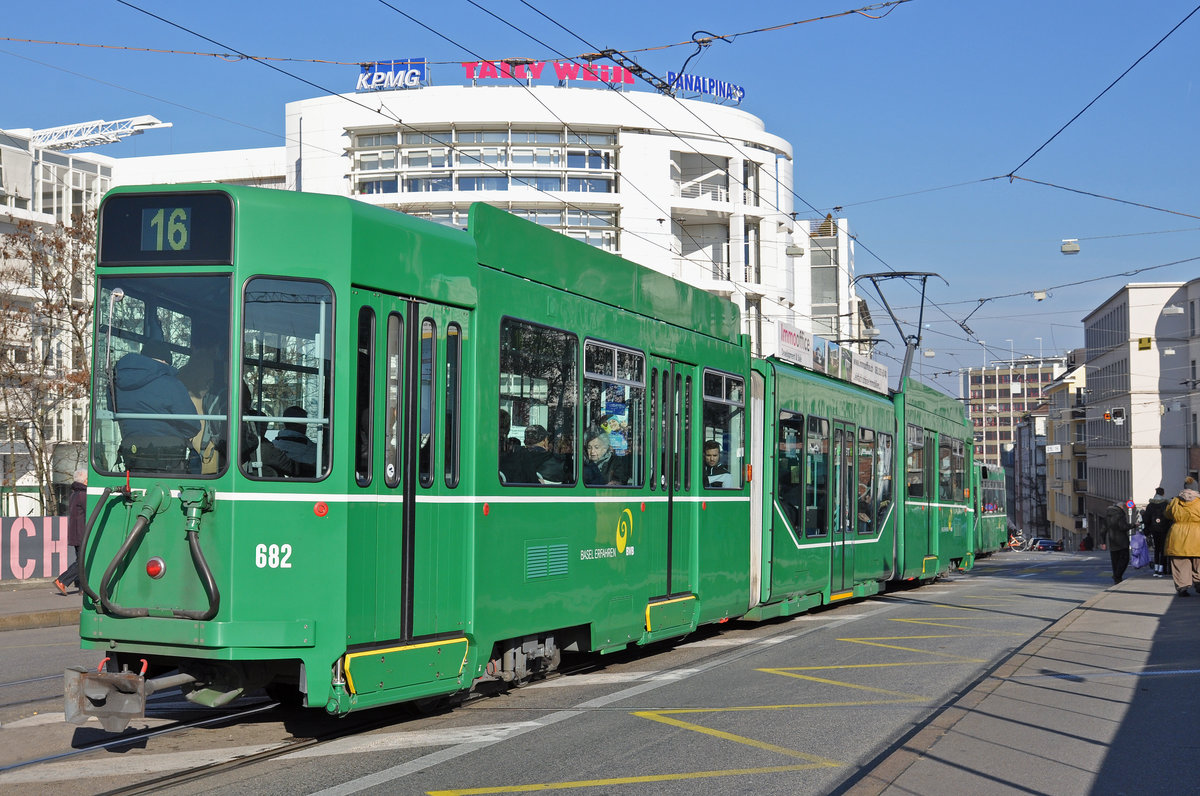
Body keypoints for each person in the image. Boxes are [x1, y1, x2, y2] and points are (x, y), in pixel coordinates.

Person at [113, 340, 200, 472]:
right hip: (170, 460)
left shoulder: (117, 383)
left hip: (132, 458)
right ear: (165, 361)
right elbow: (192, 426)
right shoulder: (172, 384)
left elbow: (113, 413)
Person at [53, 469, 87, 595]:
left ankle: (82, 588)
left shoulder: (74, 494)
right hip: (83, 533)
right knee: (83, 561)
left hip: (75, 533)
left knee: (81, 560)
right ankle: (62, 580)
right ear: (85, 480)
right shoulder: (84, 495)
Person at [1165, 476, 1200, 597]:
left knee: (1180, 563)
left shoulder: (1175, 501)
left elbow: (1167, 514)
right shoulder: (1199, 501)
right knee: (1198, 561)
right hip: (1197, 536)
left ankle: (1183, 587)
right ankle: (1199, 582)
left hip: (1178, 535)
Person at [273, 406, 317, 470]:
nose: (306, 425)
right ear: (300, 424)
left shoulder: (273, 446)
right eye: (305, 422)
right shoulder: (314, 449)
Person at [1142, 487, 1172, 577]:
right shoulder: (1166, 504)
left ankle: (1156, 569)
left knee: (1156, 549)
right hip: (1164, 529)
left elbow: (1146, 519)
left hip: (1154, 529)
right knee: (1163, 549)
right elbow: (1169, 517)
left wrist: (1147, 529)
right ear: (1163, 494)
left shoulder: (1150, 505)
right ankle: (1162, 569)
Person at [1099, 501, 1131, 584]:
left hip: (1112, 542)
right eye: (1123, 507)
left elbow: (1103, 530)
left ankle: (1117, 580)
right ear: (1121, 507)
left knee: (1115, 561)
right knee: (1125, 559)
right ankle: (1117, 576)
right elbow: (1123, 527)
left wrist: (1103, 542)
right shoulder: (1120, 515)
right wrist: (1133, 525)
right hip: (1122, 541)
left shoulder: (1107, 515)